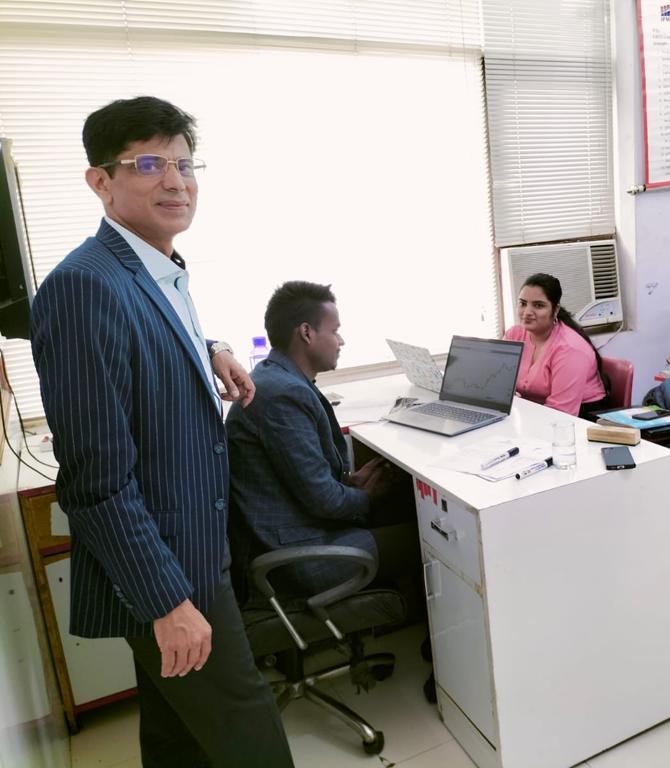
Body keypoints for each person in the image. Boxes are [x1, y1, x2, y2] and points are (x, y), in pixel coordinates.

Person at [30, 96, 294, 766]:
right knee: (252, 740)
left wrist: (212, 348)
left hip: (193, 550)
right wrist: (167, 602)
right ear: (101, 181)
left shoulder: (152, 265)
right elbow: (95, 481)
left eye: (184, 164)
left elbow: (144, 342)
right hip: (171, 571)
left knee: (179, 740)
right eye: (149, 164)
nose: (175, 181)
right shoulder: (83, 286)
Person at [226, 281, 420, 601]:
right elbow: (325, 501)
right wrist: (366, 496)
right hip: (298, 556)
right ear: (306, 333)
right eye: (335, 331)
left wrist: (351, 484)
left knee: (404, 505)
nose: (341, 341)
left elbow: (307, 483)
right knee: (429, 537)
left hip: (295, 531)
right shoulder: (282, 394)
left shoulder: (276, 379)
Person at [503, 272, 609, 418]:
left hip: (581, 417)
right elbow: (500, 385)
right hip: (538, 411)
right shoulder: (514, 335)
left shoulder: (570, 349)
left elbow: (561, 414)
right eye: (523, 303)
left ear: (555, 310)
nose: (527, 312)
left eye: (538, 305)